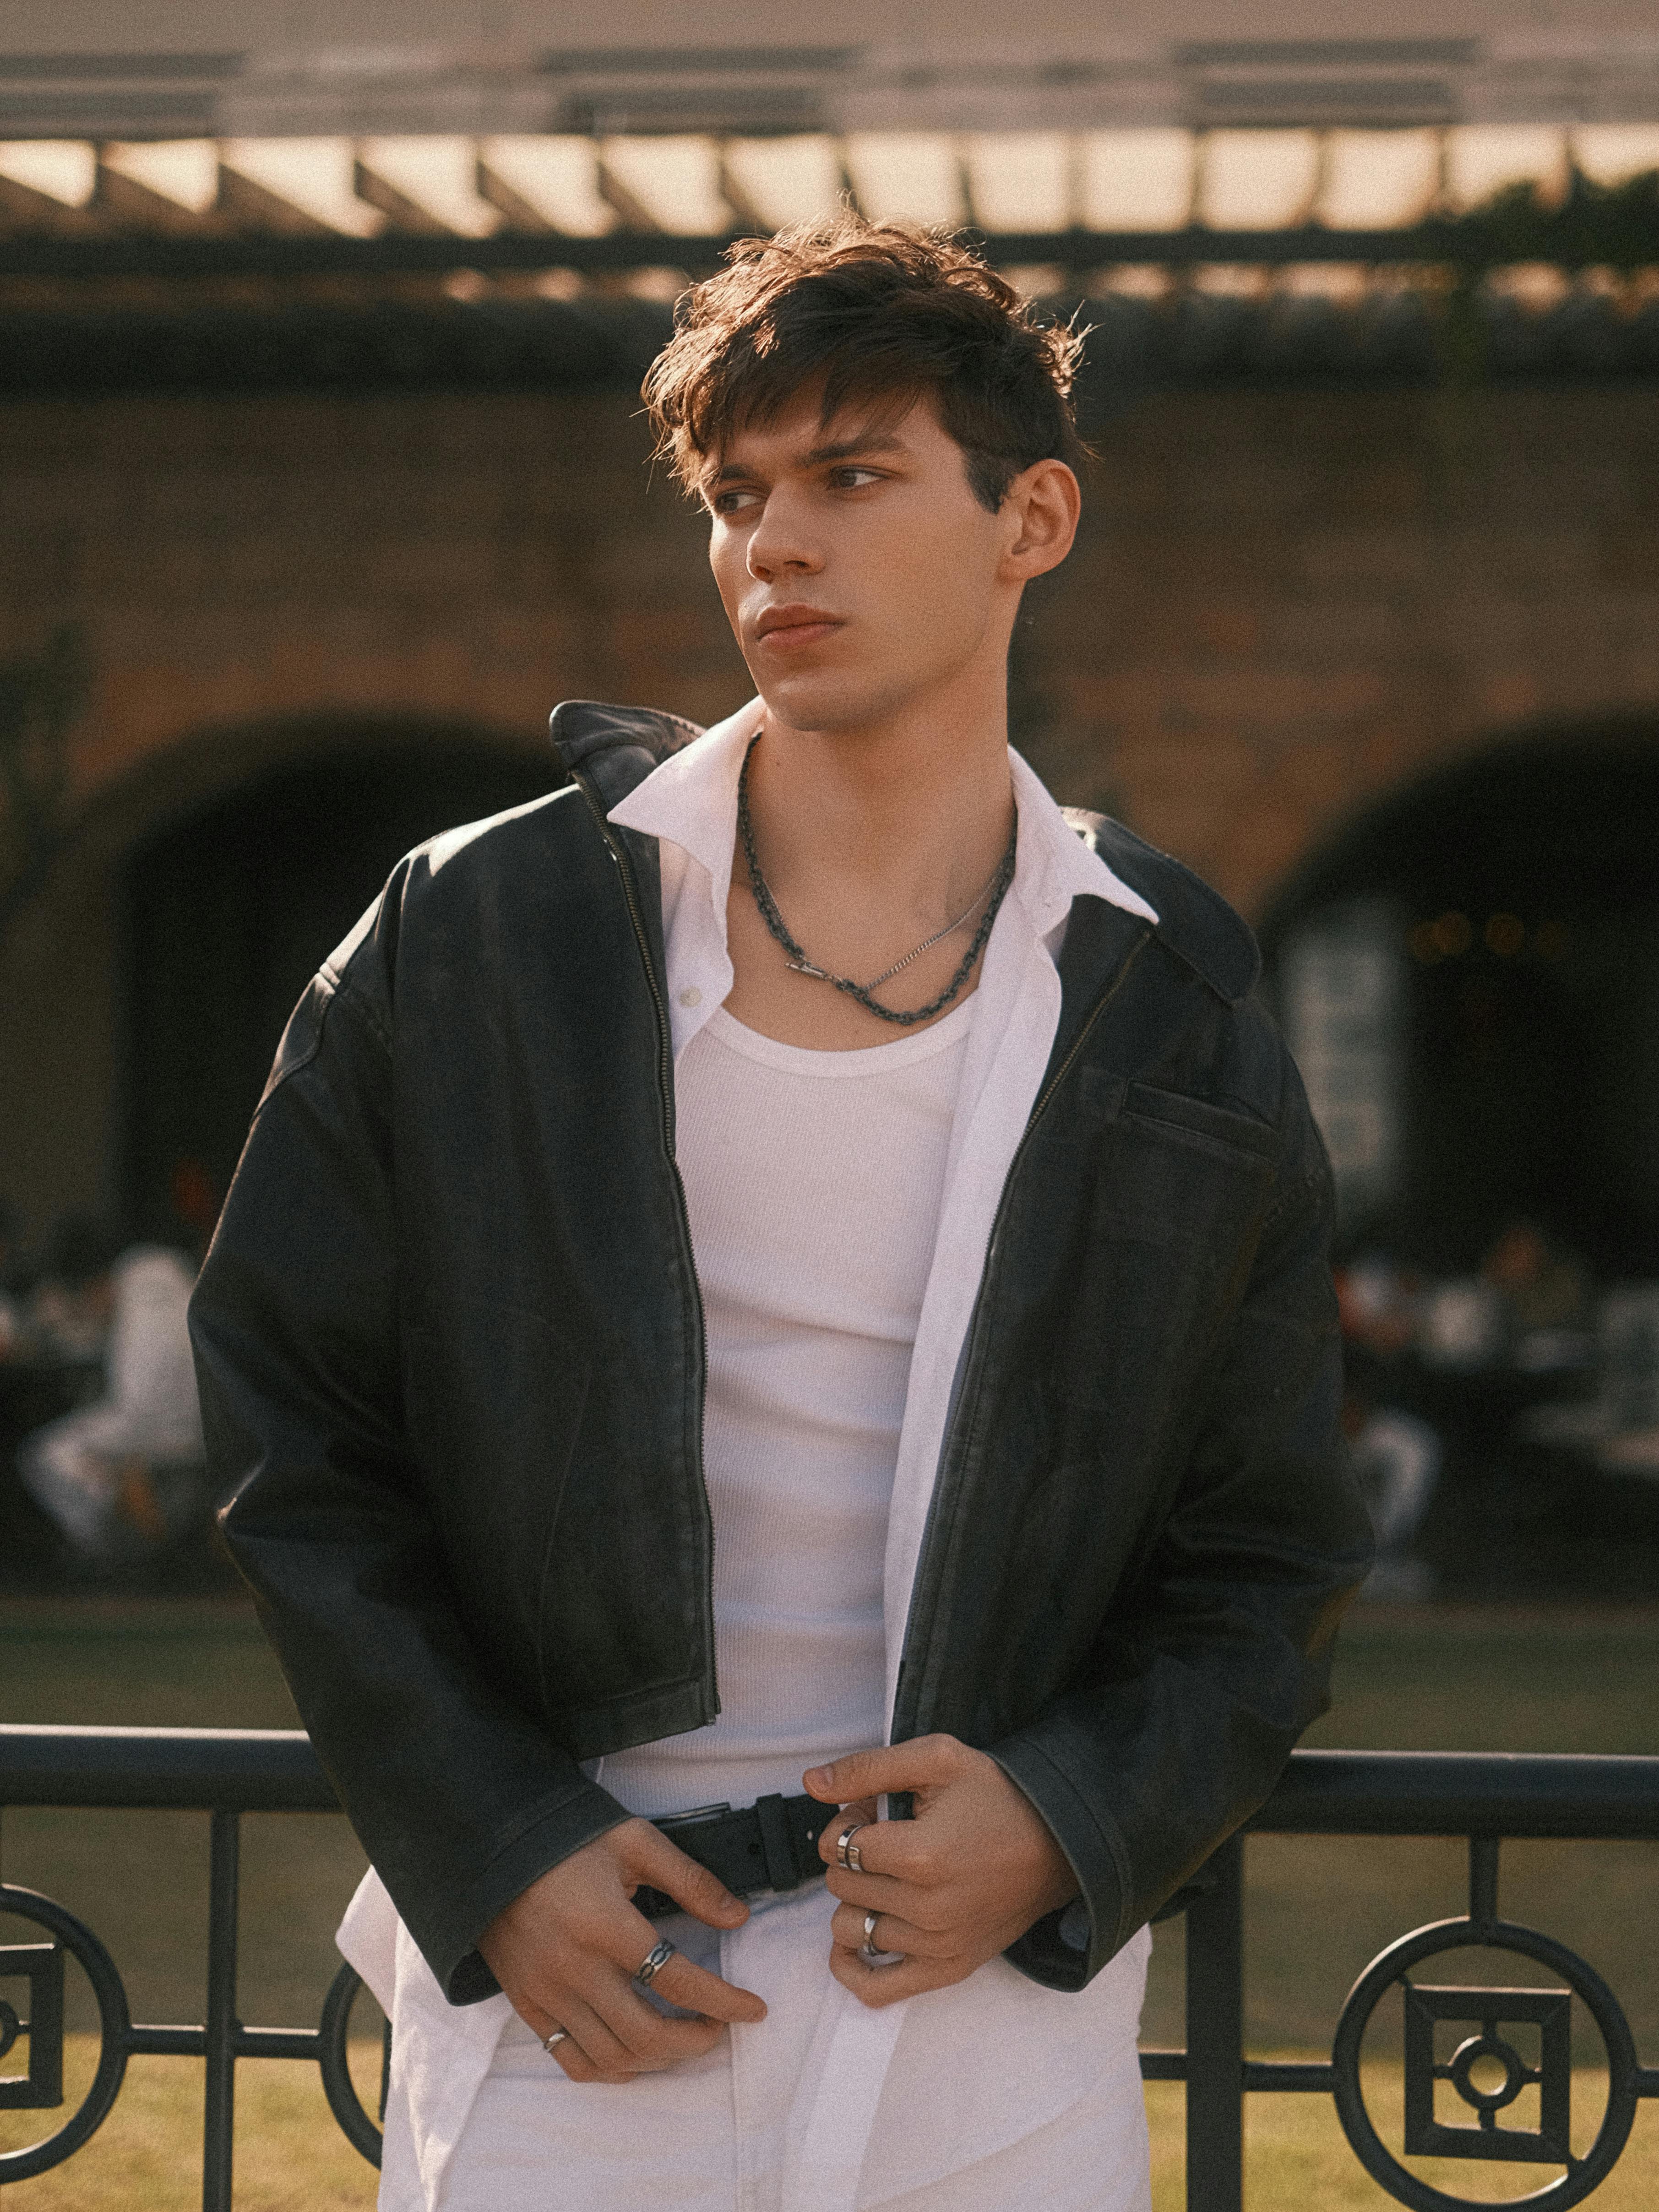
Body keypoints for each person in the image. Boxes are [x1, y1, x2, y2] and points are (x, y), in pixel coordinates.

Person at [189, 217, 1371, 2212]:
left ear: (1033, 516)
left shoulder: (1164, 1000)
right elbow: (295, 1442)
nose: (773, 545)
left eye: (850, 475)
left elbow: (1263, 1556)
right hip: (577, 1975)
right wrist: (490, 1845)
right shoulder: (477, 934)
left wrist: (1064, 1810)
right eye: (735, 494)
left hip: (986, 2007)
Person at [20, 1216, 206, 1565]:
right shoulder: (164, 1267)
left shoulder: (140, 1324)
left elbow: (141, 1412)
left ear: (93, 1284)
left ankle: (112, 1556)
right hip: (214, 1426)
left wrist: (124, 1473)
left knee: (42, 1457)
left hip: (167, 1437)